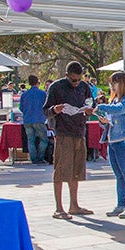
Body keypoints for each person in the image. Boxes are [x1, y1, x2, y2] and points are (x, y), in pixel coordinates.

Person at [44, 61, 95, 219]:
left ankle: (74, 205)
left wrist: (89, 110)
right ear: (66, 76)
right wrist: (55, 109)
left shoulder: (84, 87)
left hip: (79, 131)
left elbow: (90, 102)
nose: (77, 83)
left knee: (76, 171)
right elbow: (45, 110)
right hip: (63, 132)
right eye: (73, 80)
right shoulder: (56, 87)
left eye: (79, 79)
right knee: (60, 170)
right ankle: (59, 208)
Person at [96, 72, 125, 218]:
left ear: (121, 83)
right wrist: (103, 120)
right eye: (111, 83)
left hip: (124, 141)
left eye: (114, 83)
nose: (111, 86)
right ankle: (120, 204)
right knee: (119, 175)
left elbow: (119, 109)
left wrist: (103, 106)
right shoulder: (113, 101)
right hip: (112, 141)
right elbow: (109, 119)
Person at [19, 75, 49, 165]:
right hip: (39, 118)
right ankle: (40, 157)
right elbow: (47, 106)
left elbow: (21, 107)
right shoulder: (43, 94)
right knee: (43, 139)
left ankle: (33, 159)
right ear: (37, 82)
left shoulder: (24, 95)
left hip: (27, 119)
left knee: (30, 139)